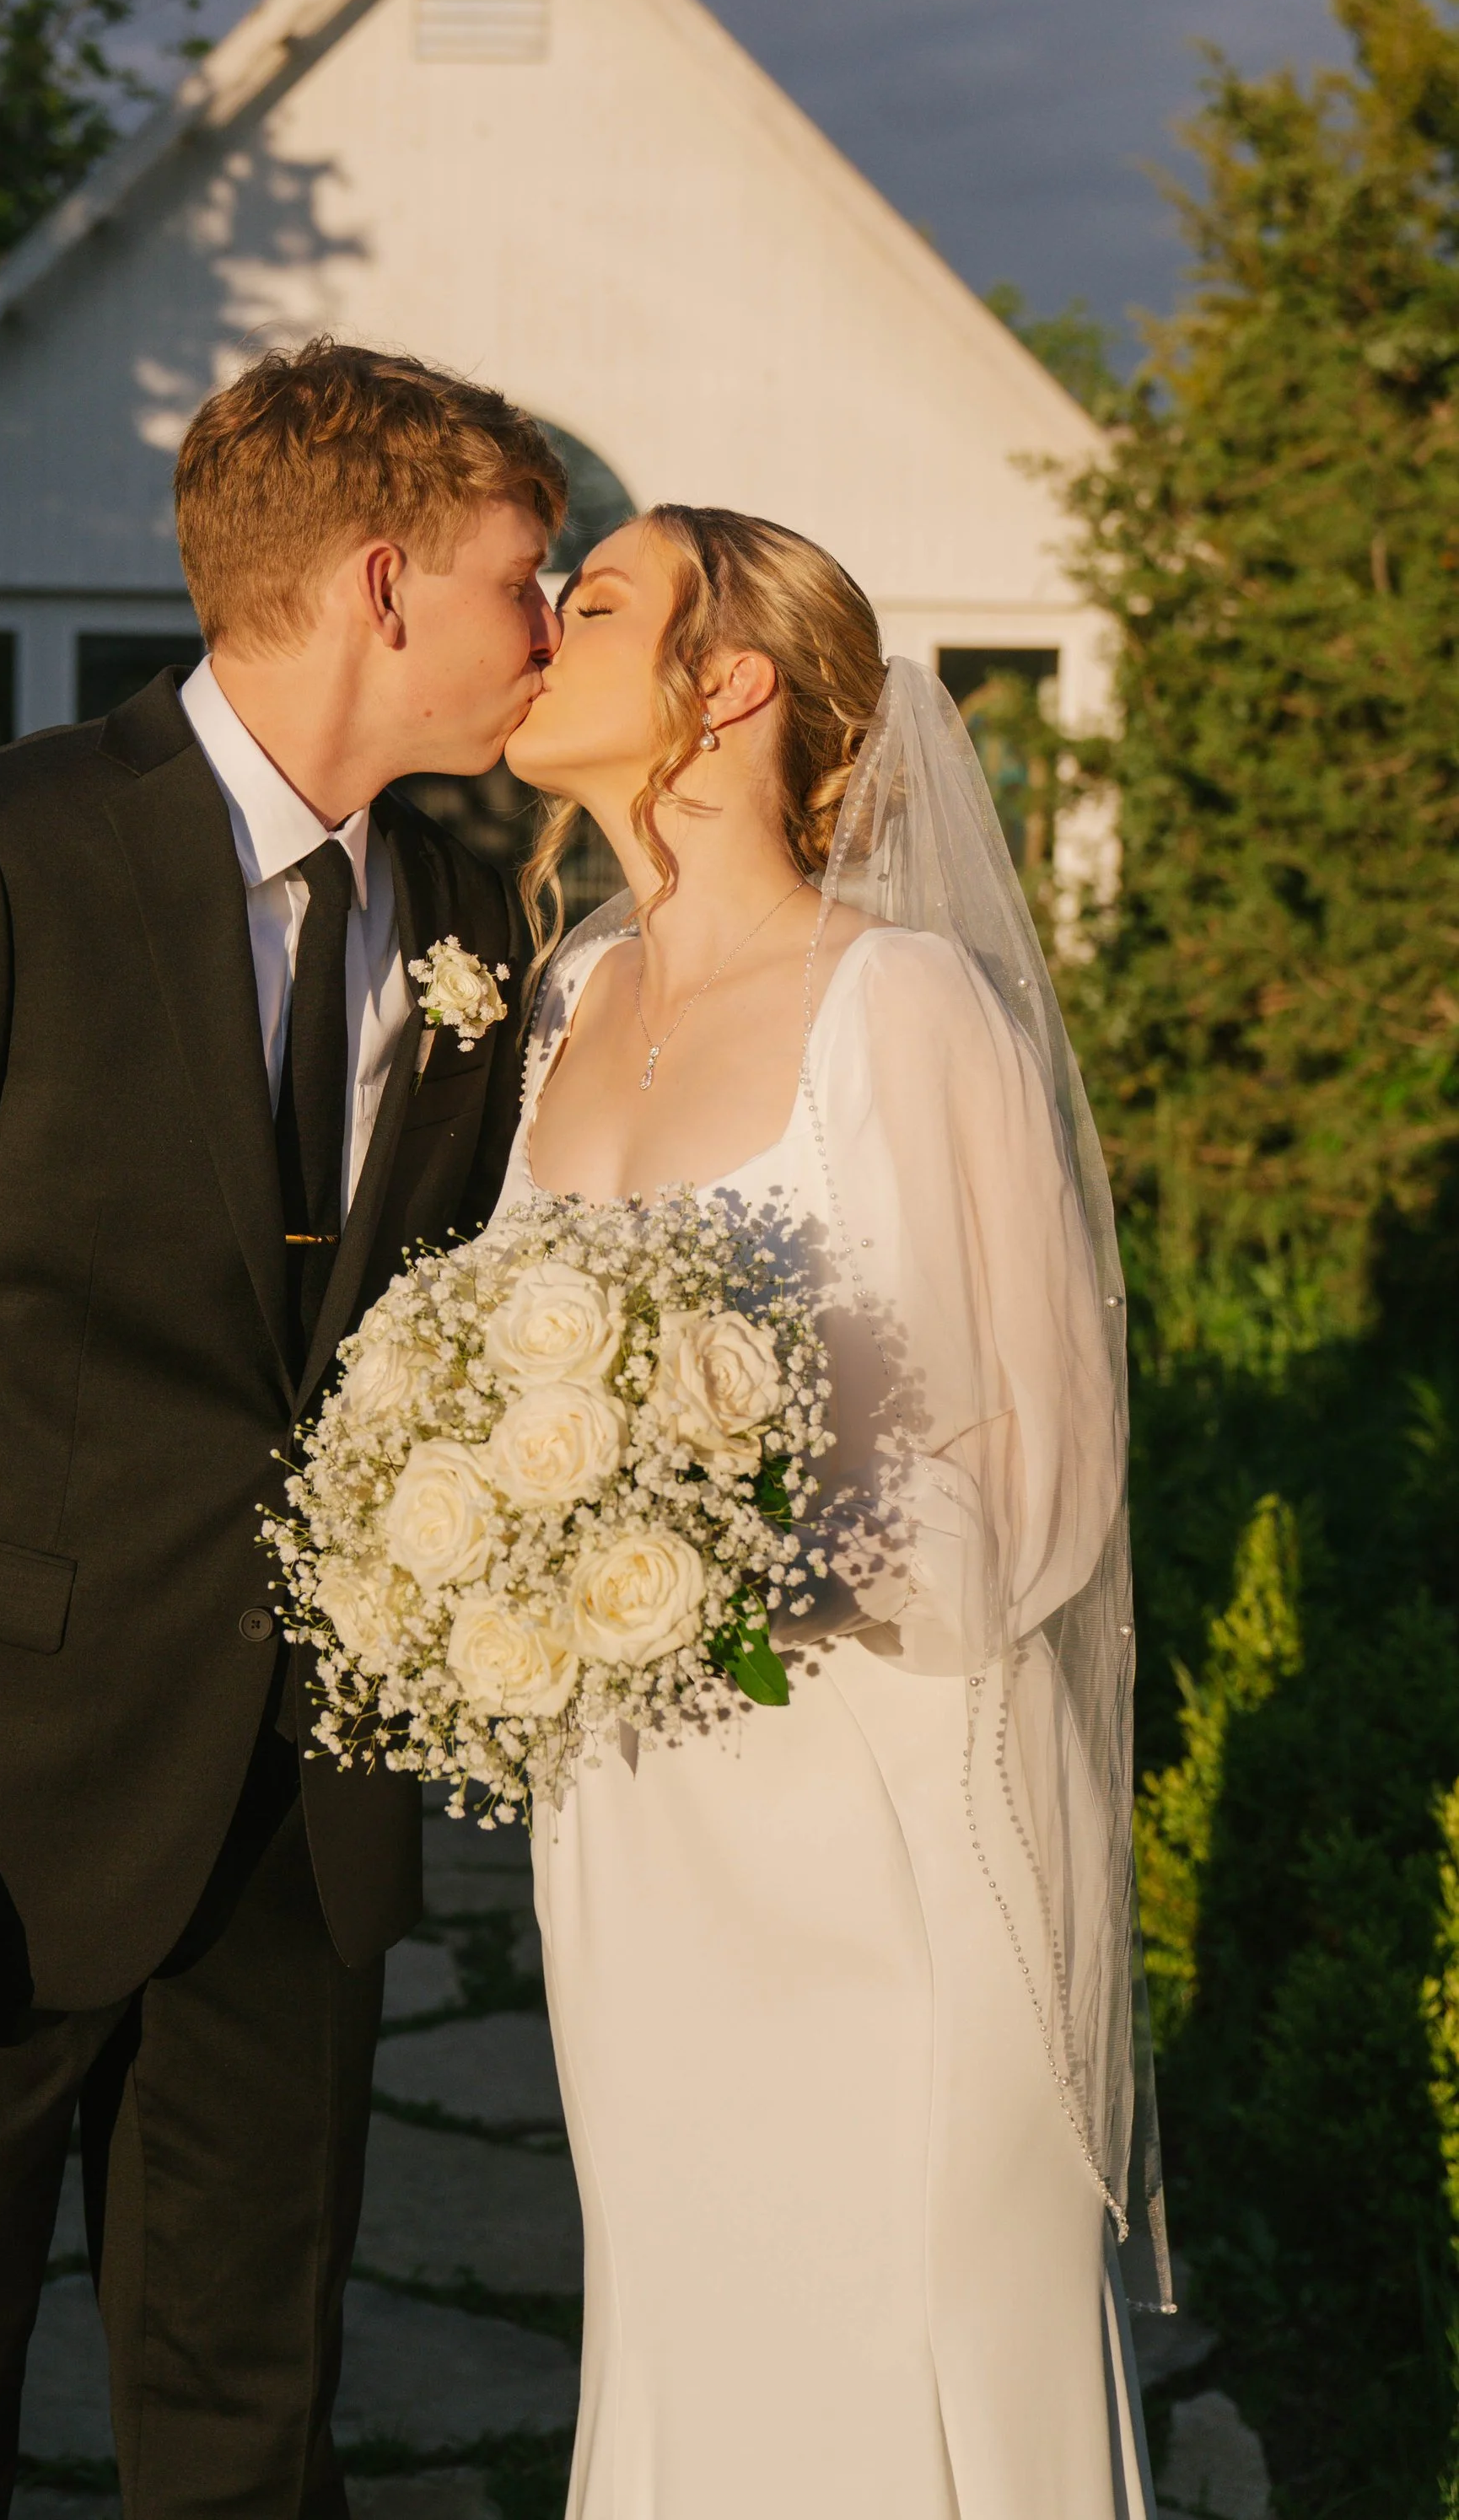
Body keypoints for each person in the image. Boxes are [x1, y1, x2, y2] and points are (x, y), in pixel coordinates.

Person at [0, 340, 564, 2520]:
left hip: (296, 1843)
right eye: (521, 581)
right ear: (383, 583)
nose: (544, 630)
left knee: (252, 2448)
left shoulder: (466, 915)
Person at [501, 504, 1163, 2520]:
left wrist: (746, 1527)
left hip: (879, 1811)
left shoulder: (906, 1007)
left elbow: (1046, 1461)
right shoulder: (561, 1000)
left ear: (729, 683)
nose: (542, 619)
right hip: (630, 1815)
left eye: (591, 599)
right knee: (690, 2313)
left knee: (905, 2315)